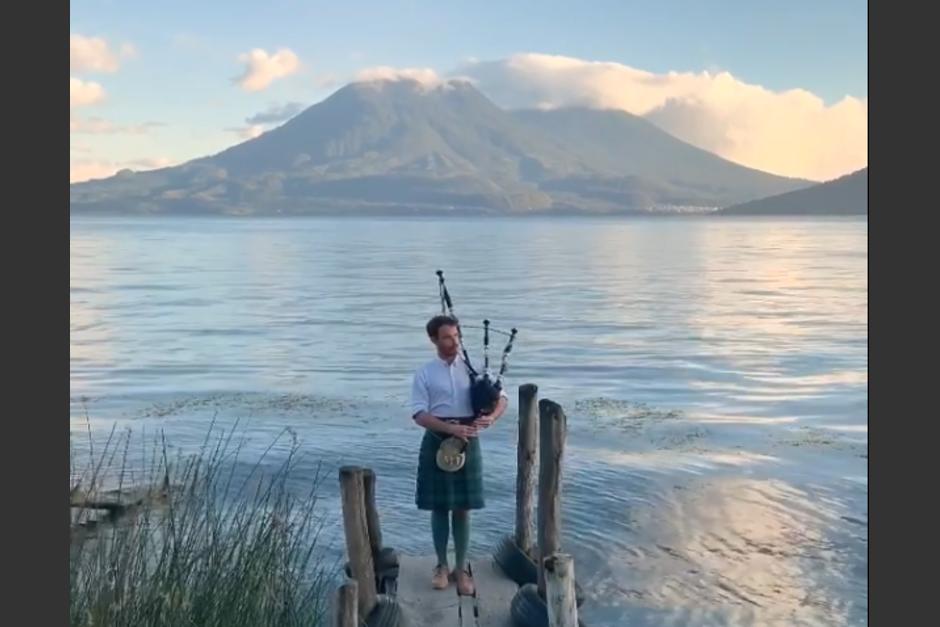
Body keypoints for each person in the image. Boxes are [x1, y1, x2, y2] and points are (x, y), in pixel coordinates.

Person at [410, 314, 508, 595]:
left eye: (456, 336)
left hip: (468, 439)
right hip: (437, 439)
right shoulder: (425, 373)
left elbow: (502, 398)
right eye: (447, 337)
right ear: (433, 340)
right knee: (439, 507)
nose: (454, 342)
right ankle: (441, 566)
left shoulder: (474, 368)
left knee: (463, 508)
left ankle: (461, 568)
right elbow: (418, 413)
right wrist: (449, 429)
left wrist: (491, 419)